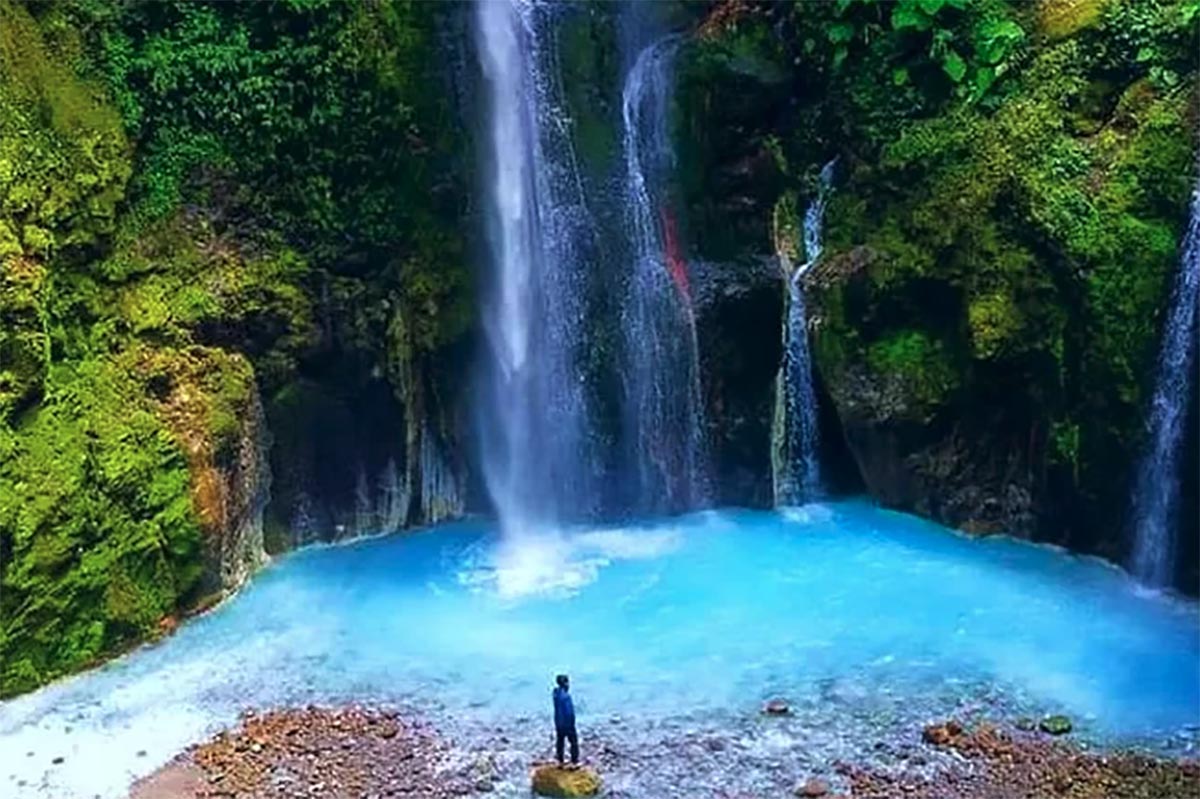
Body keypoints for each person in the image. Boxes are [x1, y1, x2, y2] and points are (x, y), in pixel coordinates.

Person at [552, 673, 579, 767]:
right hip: (567, 724)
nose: (569, 685)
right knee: (574, 742)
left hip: (558, 722)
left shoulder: (556, 694)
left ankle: (560, 761)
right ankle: (574, 762)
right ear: (565, 684)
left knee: (560, 742)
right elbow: (569, 712)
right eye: (567, 682)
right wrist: (572, 723)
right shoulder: (566, 697)